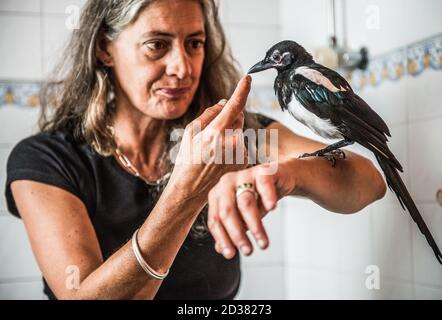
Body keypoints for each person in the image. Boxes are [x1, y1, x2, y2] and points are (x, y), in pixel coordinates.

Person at [4, 0, 386, 300]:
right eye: (157, 45)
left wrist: (286, 173)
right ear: (105, 48)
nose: (183, 68)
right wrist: (187, 193)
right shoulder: (48, 161)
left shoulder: (233, 139)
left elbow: (368, 182)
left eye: (194, 44)